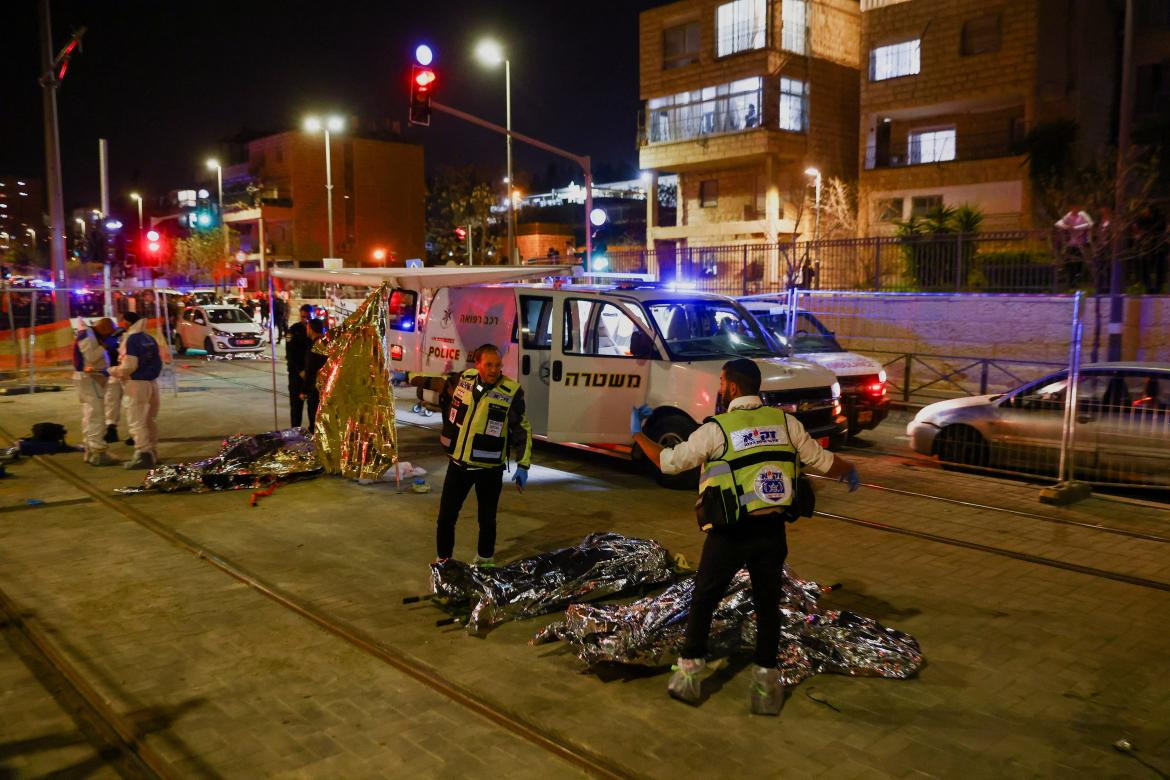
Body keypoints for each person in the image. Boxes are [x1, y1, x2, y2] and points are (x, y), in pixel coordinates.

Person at [631, 358, 860, 715]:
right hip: (772, 533)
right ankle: (766, 688)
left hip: (729, 535)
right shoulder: (785, 423)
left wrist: (636, 433)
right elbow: (822, 460)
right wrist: (850, 470)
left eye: (722, 382)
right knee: (768, 606)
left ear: (733, 388)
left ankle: (689, 677)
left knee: (704, 600)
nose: (720, 388)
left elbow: (668, 461)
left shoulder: (717, 429)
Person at [435, 344, 533, 567]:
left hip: (489, 470)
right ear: (477, 364)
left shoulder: (511, 391)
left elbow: (521, 429)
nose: (493, 370)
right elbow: (445, 397)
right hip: (458, 465)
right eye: (488, 364)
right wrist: (448, 431)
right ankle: (443, 562)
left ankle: (485, 562)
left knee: (487, 520)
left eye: (497, 365)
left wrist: (523, 465)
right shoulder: (464, 379)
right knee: (445, 519)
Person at [108, 311, 163, 469]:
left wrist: (112, 371)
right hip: (151, 383)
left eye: (122, 320)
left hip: (136, 384)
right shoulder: (148, 338)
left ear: (127, 321)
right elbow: (158, 362)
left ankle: (143, 455)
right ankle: (152, 452)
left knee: (136, 420)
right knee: (149, 420)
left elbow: (129, 366)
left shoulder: (131, 339)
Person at [73, 317, 118, 466]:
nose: (109, 336)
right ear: (104, 328)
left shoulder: (91, 334)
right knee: (96, 414)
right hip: (89, 378)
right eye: (109, 333)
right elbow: (91, 357)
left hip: (91, 378)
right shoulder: (87, 335)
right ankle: (97, 450)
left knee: (90, 413)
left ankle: (91, 448)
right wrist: (104, 347)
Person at [285, 304, 313, 428]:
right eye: (303, 317)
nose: (306, 320)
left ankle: (313, 432)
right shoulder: (293, 330)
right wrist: (300, 370)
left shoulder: (317, 329)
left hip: (311, 375)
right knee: (296, 407)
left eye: (308, 317)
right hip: (297, 374)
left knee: (313, 407)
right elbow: (290, 355)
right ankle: (295, 431)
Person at [1055, 205, 1094, 286]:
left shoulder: (1082, 215)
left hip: (1081, 242)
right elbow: (1058, 224)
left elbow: (1090, 224)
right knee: (1069, 261)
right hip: (1071, 243)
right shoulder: (1068, 216)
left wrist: (1077, 228)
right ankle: (1070, 279)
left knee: (1079, 261)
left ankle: (1078, 277)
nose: (1074, 209)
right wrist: (1067, 227)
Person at [301, 319, 328, 432]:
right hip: (328, 388)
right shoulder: (329, 343)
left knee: (315, 419)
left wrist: (305, 391)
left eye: (307, 328)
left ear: (310, 329)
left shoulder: (314, 347)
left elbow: (310, 371)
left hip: (316, 389)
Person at [101, 320, 126, 444]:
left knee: (114, 402)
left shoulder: (117, 336)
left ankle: (113, 429)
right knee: (112, 401)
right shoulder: (111, 338)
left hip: (123, 373)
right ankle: (111, 429)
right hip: (116, 373)